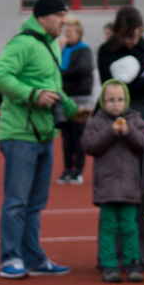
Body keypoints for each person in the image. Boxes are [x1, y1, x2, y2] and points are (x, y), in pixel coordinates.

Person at [0, 0, 78, 279]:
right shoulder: (23, 43)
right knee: (17, 201)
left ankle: (31, 257)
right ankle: (9, 257)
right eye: (59, 16)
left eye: (64, 15)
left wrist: (73, 109)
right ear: (42, 16)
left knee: (35, 203)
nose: (63, 21)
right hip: (20, 133)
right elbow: (0, 75)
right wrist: (32, 95)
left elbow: (51, 87)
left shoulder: (51, 45)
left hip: (43, 134)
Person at [97, 6, 144, 271]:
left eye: (134, 36)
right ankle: (110, 257)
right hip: (114, 122)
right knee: (113, 196)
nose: (131, 42)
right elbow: (110, 90)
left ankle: (143, 257)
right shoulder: (107, 50)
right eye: (126, 37)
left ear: (141, 29)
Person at [81, 80, 144, 283]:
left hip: (129, 186)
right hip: (107, 187)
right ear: (103, 101)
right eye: (110, 100)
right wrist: (110, 132)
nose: (115, 104)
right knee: (109, 227)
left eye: (119, 99)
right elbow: (88, 144)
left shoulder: (135, 120)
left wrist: (130, 132)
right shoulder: (97, 121)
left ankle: (133, 263)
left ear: (126, 100)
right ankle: (108, 265)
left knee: (129, 227)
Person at [57, 15, 94, 185]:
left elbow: (83, 69)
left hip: (80, 98)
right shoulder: (62, 49)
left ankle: (78, 170)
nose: (67, 33)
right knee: (67, 136)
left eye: (70, 31)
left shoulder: (84, 49)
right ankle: (66, 169)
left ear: (78, 32)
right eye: (66, 30)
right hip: (66, 97)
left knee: (78, 134)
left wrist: (62, 74)